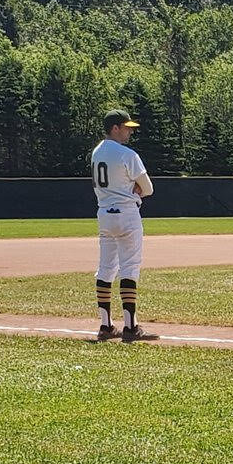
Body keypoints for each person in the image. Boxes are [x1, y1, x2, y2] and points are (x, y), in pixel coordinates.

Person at [90, 109, 156, 341]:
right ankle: (130, 327)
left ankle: (106, 325)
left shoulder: (96, 152)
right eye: (126, 127)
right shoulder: (127, 154)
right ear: (115, 128)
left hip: (104, 213)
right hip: (127, 213)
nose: (129, 131)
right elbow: (148, 188)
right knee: (129, 266)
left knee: (106, 268)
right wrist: (136, 188)